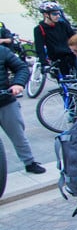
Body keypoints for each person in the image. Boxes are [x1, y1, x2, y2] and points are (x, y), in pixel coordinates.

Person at [0, 46, 45, 174]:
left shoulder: (2, 51)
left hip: (5, 101)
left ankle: (29, 162)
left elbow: (21, 68)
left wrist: (18, 84)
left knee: (18, 134)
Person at [34, 1, 76, 77]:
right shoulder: (39, 29)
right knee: (65, 83)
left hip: (71, 55)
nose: (58, 16)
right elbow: (39, 48)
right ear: (46, 14)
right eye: (54, 14)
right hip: (57, 59)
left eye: (58, 13)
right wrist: (44, 64)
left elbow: (74, 38)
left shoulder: (63, 24)